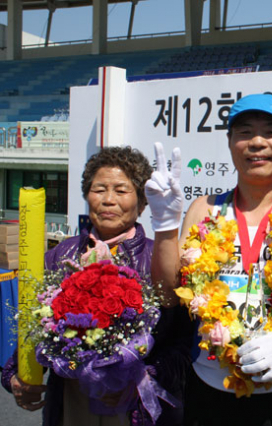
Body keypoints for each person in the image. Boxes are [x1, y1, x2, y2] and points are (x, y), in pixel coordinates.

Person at [145, 93, 272, 425]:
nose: (257, 142)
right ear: (230, 142)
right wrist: (165, 227)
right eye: (245, 132)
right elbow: (166, 294)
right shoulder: (204, 209)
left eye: (271, 132)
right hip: (210, 388)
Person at [1, 146, 193, 426]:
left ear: (142, 203)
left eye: (121, 190)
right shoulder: (59, 255)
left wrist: (139, 379)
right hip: (71, 400)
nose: (108, 200)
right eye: (99, 189)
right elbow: (32, 325)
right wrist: (16, 377)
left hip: (134, 405)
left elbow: (183, 342)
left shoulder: (160, 258)